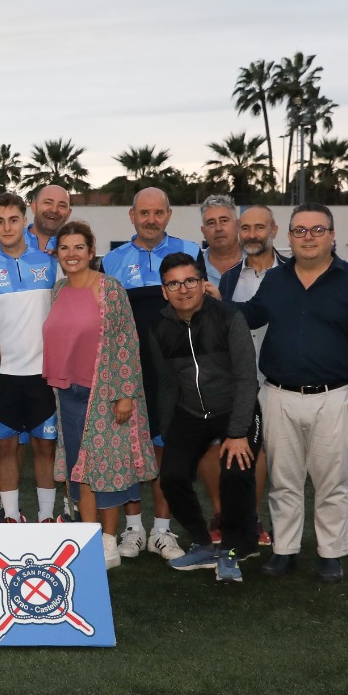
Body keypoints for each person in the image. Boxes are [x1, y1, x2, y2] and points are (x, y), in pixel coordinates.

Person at [238, 202, 348, 583]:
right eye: (300, 230)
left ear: (332, 234)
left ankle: (331, 554)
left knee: (331, 481)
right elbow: (251, 315)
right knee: (284, 480)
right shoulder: (276, 279)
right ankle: (284, 550)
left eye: (317, 230)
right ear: (288, 237)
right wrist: (208, 303)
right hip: (278, 395)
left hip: (334, 396)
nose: (308, 237)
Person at [43, 221, 158, 568]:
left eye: (79, 247)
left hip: (103, 392)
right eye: (65, 248)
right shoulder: (58, 290)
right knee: (81, 468)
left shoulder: (110, 288)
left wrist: (125, 394)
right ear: (57, 254)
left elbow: (127, 341)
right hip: (67, 393)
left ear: (92, 251)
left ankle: (109, 543)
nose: (72, 254)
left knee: (107, 468)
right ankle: (90, 537)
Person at [146, 253, 262, 584]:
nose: (183, 289)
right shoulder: (159, 327)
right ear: (164, 290)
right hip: (191, 412)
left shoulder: (229, 317)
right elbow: (167, 385)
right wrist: (170, 433)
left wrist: (238, 432)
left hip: (234, 409)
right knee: (171, 476)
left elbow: (245, 379)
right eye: (174, 283)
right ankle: (201, 541)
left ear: (202, 282)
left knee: (234, 472)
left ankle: (231, 549)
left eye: (190, 280)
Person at [100, 187, 199, 560]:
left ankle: (162, 530)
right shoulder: (111, 261)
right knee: (127, 450)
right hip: (128, 372)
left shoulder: (189, 252)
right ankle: (133, 529)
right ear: (132, 215)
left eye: (158, 213)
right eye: (144, 213)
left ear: (168, 215)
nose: (151, 219)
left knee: (167, 450)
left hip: (175, 372)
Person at [0, 194, 61, 524]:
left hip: (44, 374)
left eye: (13, 220)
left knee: (44, 447)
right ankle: (11, 517)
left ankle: (45, 517)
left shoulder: (50, 263)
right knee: (5, 448)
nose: (7, 227)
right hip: (2, 375)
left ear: (23, 219)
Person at [218, 203, 284, 546]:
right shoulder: (229, 278)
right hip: (241, 385)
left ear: (273, 230)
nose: (253, 235)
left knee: (281, 460)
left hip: (283, 381)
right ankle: (249, 521)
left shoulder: (292, 272)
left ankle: (278, 531)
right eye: (246, 228)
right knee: (247, 455)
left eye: (260, 227)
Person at [200, 195, 242, 280]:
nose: (218, 228)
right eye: (211, 223)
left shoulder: (259, 264)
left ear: (237, 225)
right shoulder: (193, 270)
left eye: (224, 221)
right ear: (203, 231)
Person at [26, 184, 72, 254]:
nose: (54, 210)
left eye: (62, 206)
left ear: (69, 213)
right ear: (34, 207)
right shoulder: (11, 241)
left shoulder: (74, 250)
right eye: (48, 203)